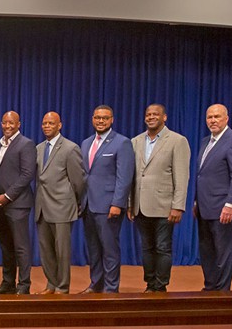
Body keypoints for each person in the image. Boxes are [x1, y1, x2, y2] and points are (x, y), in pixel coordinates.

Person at [128, 104, 190, 293]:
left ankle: (160, 286)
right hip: (140, 205)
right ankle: (150, 284)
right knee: (146, 248)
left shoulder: (177, 141)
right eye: (148, 114)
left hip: (165, 206)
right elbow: (132, 176)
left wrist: (178, 206)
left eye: (156, 114)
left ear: (165, 117)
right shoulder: (135, 141)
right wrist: (130, 204)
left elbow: (181, 176)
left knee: (162, 247)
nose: (151, 117)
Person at [79, 105, 135, 294]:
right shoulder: (86, 143)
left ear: (112, 120)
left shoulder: (122, 143)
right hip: (88, 205)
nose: (100, 121)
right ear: (92, 119)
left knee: (109, 249)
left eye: (105, 118)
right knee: (93, 249)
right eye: (97, 118)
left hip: (109, 206)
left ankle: (111, 287)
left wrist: (118, 203)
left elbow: (124, 177)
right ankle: (96, 284)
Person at [194, 104, 232, 291]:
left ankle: (222, 292)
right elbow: (202, 175)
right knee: (207, 251)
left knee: (223, 252)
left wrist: (231, 204)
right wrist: (196, 201)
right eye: (209, 117)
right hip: (204, 207)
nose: (213, 120)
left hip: (223, 208)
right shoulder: (205, 142)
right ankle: (210, 288)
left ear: (226, 118)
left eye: (217, 116)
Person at [35, 111, 85, 295]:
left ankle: (62, 287)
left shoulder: (70, 148)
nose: (47, 126)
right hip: (42, 207)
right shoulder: (39, 148)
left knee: (62, 251)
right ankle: (51, 284)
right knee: (46, 249)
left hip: (62, 207)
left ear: (59, 125)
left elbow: (78, 180)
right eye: (44, 123)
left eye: (51, 123)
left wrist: (76, 202)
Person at [0, 111, 36, 295]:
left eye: (11, 123)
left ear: (18, 124)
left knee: (21, 246)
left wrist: (7, 196)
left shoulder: (26, 144)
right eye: (5, 123)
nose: (8, 126)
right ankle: (8, 283)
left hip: (17, 204)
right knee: (6, 245)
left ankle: (24, 285)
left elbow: (27, 175)